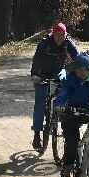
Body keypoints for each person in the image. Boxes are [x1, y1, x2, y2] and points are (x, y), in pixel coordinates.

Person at [29, 22, 79, 150]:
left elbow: (78, 58)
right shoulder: (44, 44)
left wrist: (81, 70)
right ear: (53, 34)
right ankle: (36, 134)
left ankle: (59, 116)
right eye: (57, 35)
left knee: (66, 89)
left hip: (59, 72)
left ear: (65, 35)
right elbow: (36, 60)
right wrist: (35, 75)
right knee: (40, 102)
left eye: (62, 35)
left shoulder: (68, 43)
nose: (60, 38)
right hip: (42, 74)